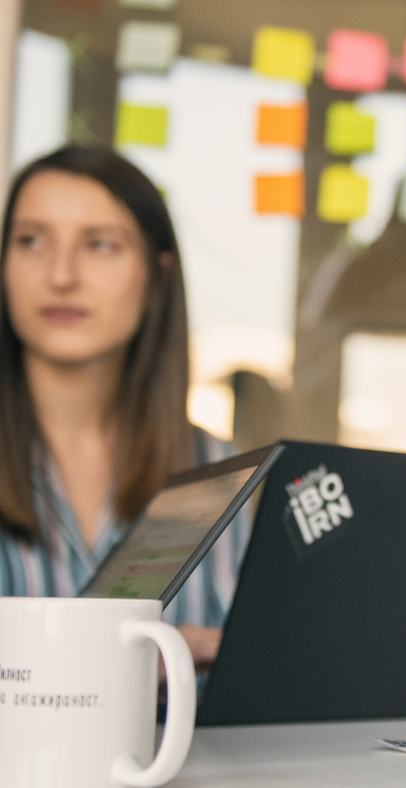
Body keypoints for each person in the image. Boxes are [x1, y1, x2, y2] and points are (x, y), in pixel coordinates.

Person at [0, 146, 249, 669]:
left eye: (101, 245)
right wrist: (119, 669)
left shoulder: (213, 465)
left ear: (158, 275)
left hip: (178, 753)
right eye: (31, 241)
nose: (61, 275)